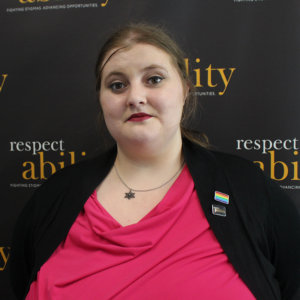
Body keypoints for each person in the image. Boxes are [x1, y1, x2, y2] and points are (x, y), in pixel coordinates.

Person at [10, 23, 300, 300]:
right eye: (117, 85)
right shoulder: (53, 198)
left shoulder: (246, 188)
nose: (135, 96)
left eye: (154, 79)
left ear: (185, 90)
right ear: (101, 99)